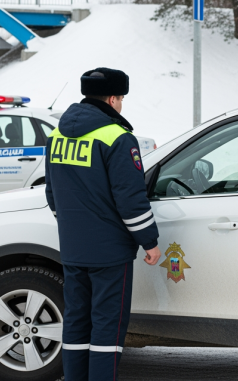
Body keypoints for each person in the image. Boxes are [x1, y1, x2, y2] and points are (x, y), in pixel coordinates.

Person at [44, 67, 161, 380]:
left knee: (77, 320)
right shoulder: (118, 138)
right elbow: (131, 199)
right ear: (113, 98)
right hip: (110, 253)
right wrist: (149, 241)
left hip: (72, 249)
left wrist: (73, 227)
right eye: (121, 98)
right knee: (107, 324)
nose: (121, 104)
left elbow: (52, 194)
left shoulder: (57, 135)